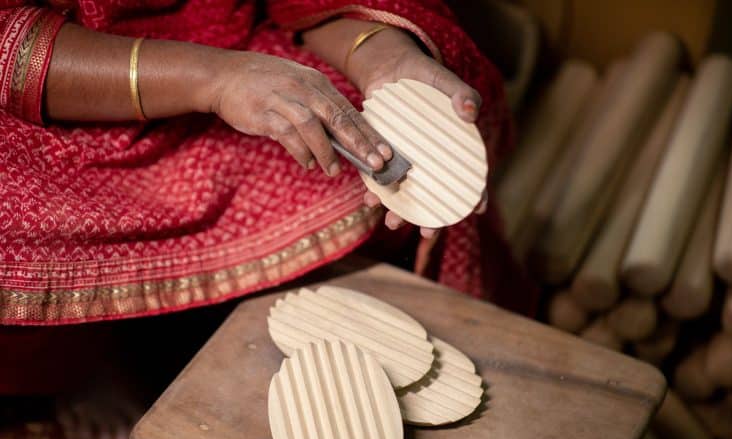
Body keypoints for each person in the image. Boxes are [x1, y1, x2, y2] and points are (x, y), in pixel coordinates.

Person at [0, 1, 512, 393]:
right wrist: (215, 79)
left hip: (239, 37)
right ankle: (96, 378)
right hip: (62, 91)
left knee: (398, 129)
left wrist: (381, 55)